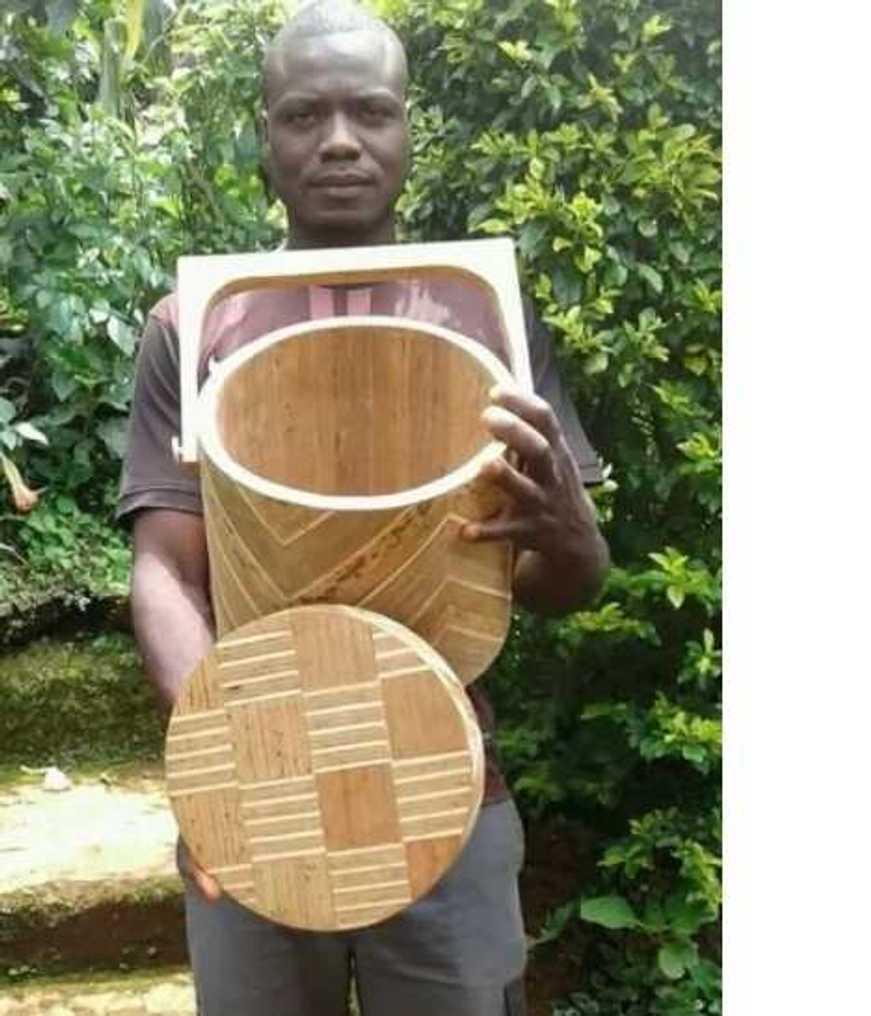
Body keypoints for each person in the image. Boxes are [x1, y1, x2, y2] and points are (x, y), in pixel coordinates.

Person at [117, 2, 609, 1014]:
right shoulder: (194, 324)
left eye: (370, 111)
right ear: (264, 134)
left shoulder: (486, 320)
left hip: (451, 791)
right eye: (305, 115)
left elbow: (558, 576)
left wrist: (572, 532)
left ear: (407, 129)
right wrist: (225, 766)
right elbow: (167, 567)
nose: (339, 140)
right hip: (258, 791)